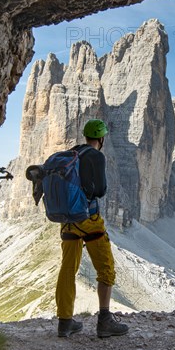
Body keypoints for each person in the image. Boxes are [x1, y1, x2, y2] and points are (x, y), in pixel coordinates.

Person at [55, 119, 129, 338]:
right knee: (106, 267)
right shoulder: (97, 156)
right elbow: (102, 189)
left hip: (68, 220)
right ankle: (104, 321)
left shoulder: (71, 153)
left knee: (68, 269)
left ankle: (65, 322)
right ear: (102, 138)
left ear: (86, 136)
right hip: (89, 219)